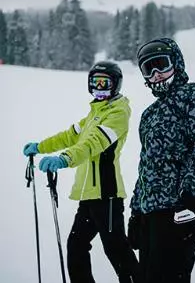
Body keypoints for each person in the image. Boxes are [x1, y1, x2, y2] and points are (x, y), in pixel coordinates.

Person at [23, 61, 140, 283]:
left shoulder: (118, 113)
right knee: (76, 246)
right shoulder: (94, 114)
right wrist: (40, 147)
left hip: (107, 195)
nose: (100, 88)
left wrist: (64, 159)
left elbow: (92, 144)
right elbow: (69, 136)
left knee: (115, 248)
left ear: (116, 85)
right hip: (88, 196)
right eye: (95, 83)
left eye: (105, 83)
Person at [128, 38, 195, 283]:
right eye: (149, 70)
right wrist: (136, 211)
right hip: (151, 211)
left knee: (168, 276)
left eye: (162, 65)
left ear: (177, 63)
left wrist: (191, 199)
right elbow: (146, 166)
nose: (157, 75)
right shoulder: (149, 114)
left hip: (180, 206)